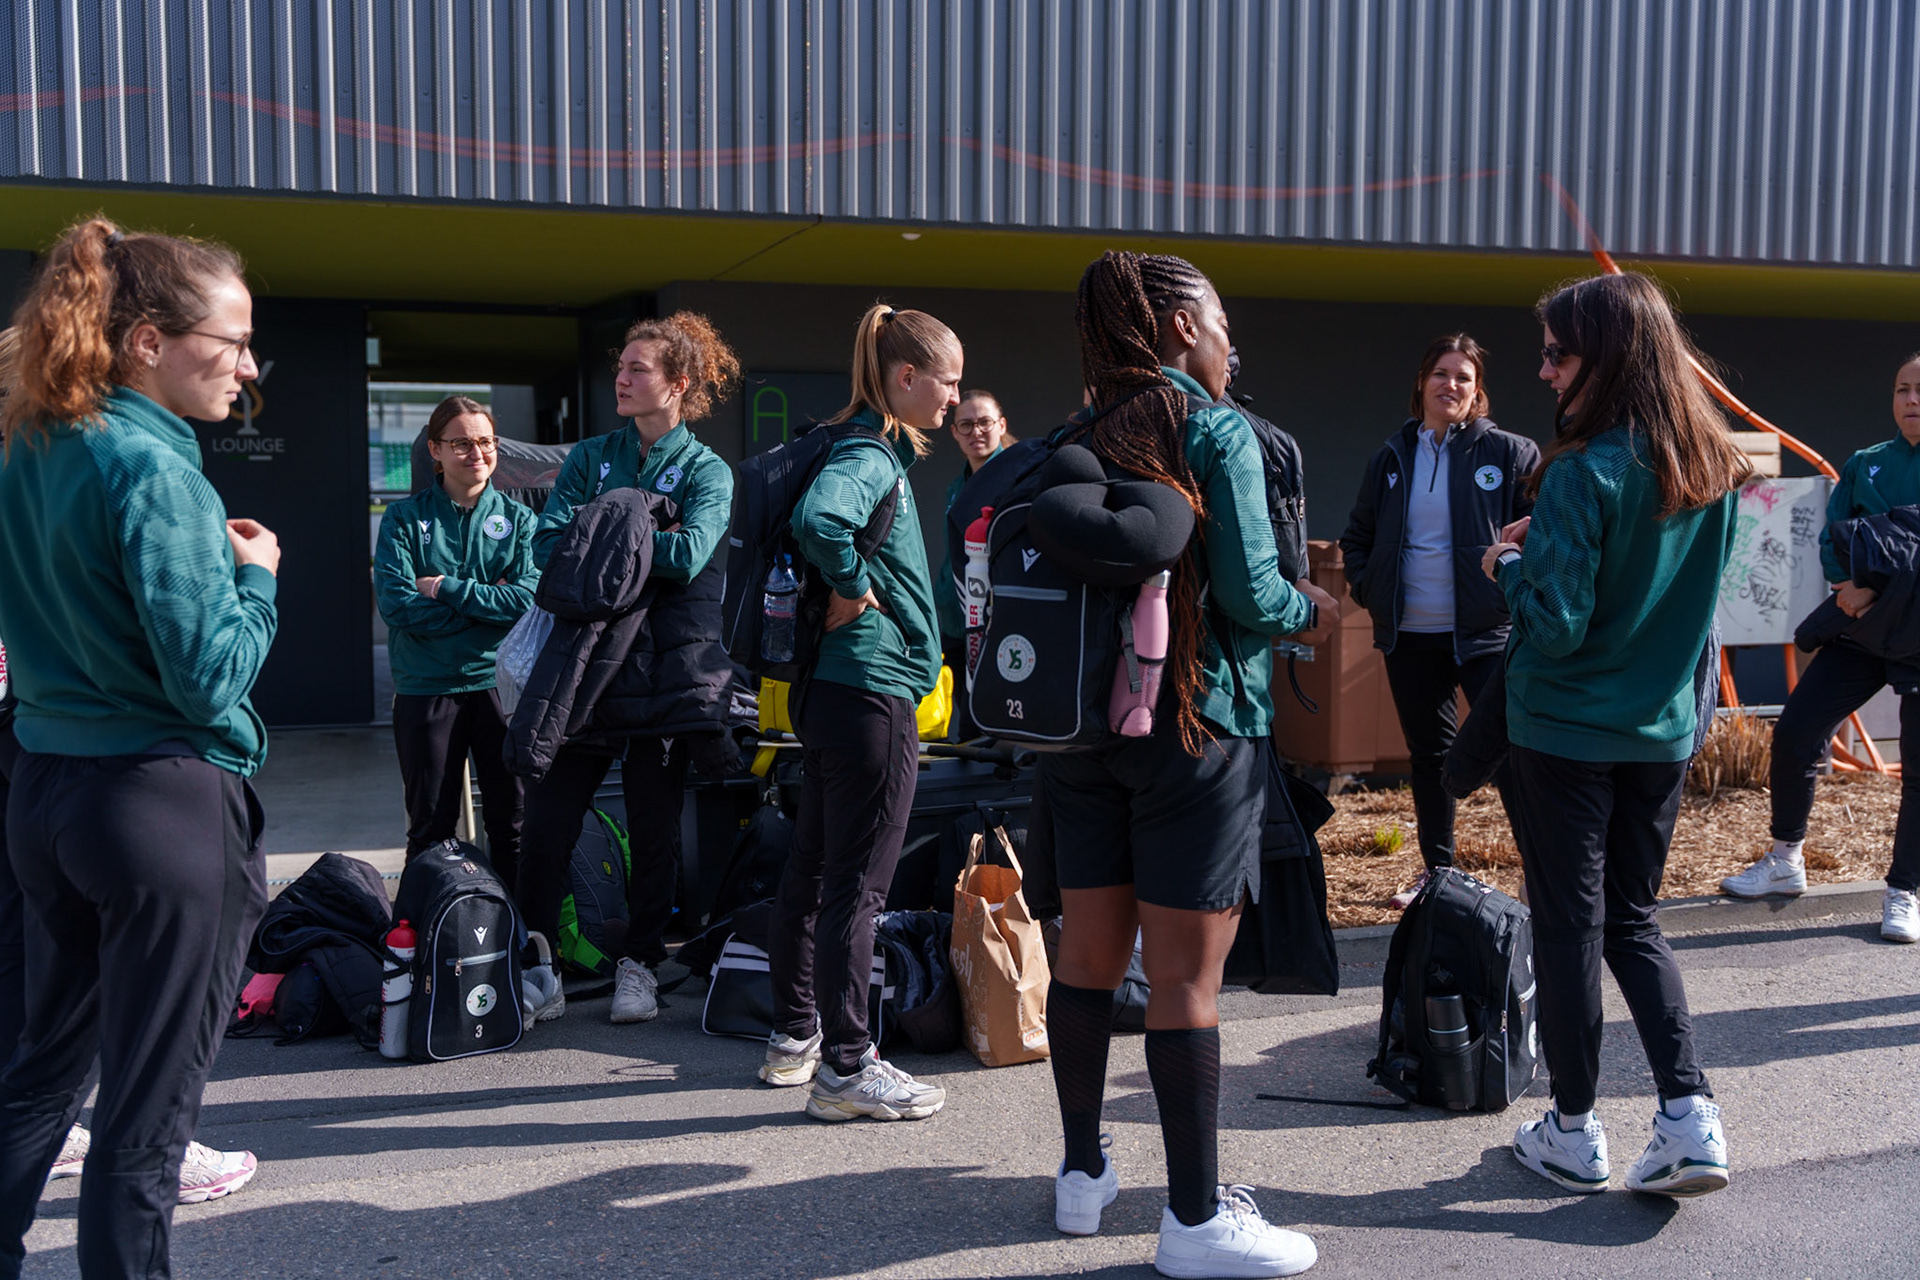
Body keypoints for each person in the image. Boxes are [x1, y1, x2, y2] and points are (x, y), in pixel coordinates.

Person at [1042, 252, 1336, 1278]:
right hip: (1196, 724)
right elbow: (1255, 596)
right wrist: (1316, 609)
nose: (1227, 344)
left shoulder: (1073, 435)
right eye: (1217, 324)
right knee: (1184, 980)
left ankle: (1082, 1175)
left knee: (1085, 956)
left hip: (1077, 733)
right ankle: (1197, 1220)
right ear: (1175, 329)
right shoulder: (1213, 431)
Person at [0, 219, 278, 1277]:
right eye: (234, 339)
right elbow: (209, 674)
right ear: (149, 340)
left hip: (45, 791)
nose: (248, 367)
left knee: (41, 1068)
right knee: (148, 1114)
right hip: (157, 803)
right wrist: (259, 578)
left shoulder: (29, 443)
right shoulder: (152, 467)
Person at [1489, 271, 1746, 1199]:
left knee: (1568, 926)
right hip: (1662, 732)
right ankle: (1688, 1112)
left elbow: (1554, 623)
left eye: (1558, 353)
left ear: (1606, 356)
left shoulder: (1581, 471)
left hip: (1565, 731)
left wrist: (1511, 561)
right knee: (1634, 921)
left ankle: (1572, 1127)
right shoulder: (1708, 469)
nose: (1546, 371)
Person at [515, 313, 740, 1024]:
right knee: (546, 820)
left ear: (678, 384)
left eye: (638, 369)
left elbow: (692, 554)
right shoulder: (591, 455)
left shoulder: (708, 469)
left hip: (664, 674)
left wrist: (609, 533)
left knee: (653, 828)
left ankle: (640, 964)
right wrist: (643, 524)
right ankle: (538, 961)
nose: (622, 377)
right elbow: (550, 544)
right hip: (583, 667)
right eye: (622, 366)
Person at [762, 303, 952, 1122]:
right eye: (946, 380)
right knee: (856, 888)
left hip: (833, 693)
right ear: (905, 377)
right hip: (868, 691)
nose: (953, 397)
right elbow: (820, 521)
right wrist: (855, 587)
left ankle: (797, 1039)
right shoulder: (870, 453)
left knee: (812, 873)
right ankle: (847, 1065)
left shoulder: (847, 444)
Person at [1721, 352, 1920, 944]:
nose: (1911, 399)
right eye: (1902, 388)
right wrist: (1849, 589)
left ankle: (1904, 890)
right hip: (1860, 629)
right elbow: (1836, 538)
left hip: (1917, 637)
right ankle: (1785, 860)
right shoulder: (1868, 465)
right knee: (1798, 728)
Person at [1340, 336, 1540, 908]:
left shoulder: (1509, 453)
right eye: (1441, 373)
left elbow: (1541, 531)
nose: (1450, 385)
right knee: (1429, 760)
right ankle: (1440, 878)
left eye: (1463, 377)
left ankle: (1540, 871)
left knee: (1508, 751)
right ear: (1422, 382)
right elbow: (1358, 537)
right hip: (1410, 637)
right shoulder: (1391, 456)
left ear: (1477, 391)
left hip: (1488, 633)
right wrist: (1369, 588)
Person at [374, 395, 538, 880]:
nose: (476, 453)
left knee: (512, 825)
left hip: (500, 688)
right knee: (430, 829)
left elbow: (526, 603)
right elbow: (398, 607)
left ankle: (519, 941)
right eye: (461, 443)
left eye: (485, 441)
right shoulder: (403, 520)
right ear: (435, 450)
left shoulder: (521, 522)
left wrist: (447, 589)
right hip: (427, 688)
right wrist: (487, 606)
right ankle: (425, 942)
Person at [935, 389, 1011, 740]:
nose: (975, 432)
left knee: (989, 714)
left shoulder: (1015, 479)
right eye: (965, 425)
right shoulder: (956, 485)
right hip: (954, 618)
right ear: (953, 432)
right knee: (961, 717)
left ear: (1001, 425)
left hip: (993, 619)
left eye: (984, 423)